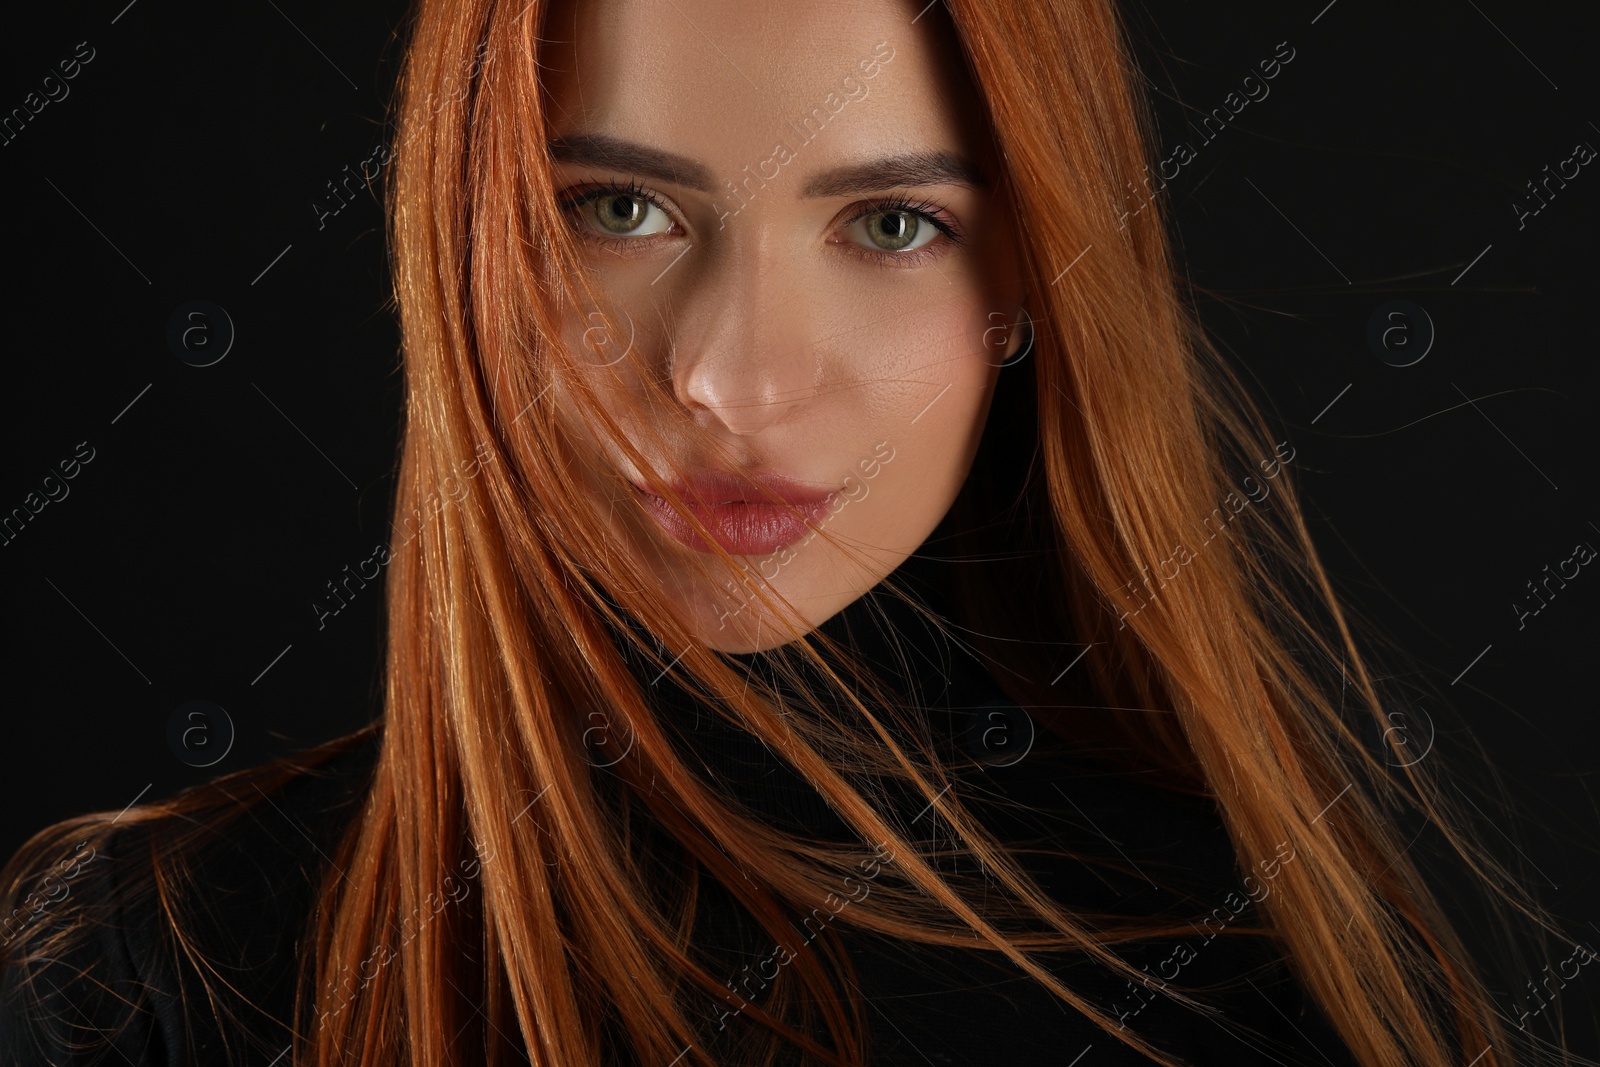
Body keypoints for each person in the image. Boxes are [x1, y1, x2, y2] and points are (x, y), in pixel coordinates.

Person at [0, 0, 1580, 1064]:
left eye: (893, 225)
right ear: (460, 235)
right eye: (619, 209)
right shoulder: (169, 960)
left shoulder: (1241, 962)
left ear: (1031, 286)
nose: (735, 377)